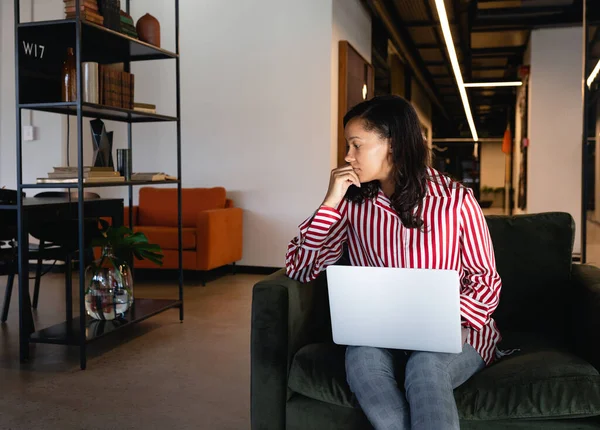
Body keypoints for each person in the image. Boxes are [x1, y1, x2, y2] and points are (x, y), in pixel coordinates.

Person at [285, 95, 502, 430]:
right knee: (362, 363)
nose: (347, 156)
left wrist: (441, 316)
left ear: (394, 144)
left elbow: (486, 282)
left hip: (457, 332)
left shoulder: (454, 200)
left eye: (356, 145)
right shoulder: (352, 205)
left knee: (426, 367)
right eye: (347, 145)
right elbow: (300, 267)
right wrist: (330, 202)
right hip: (376, 333)